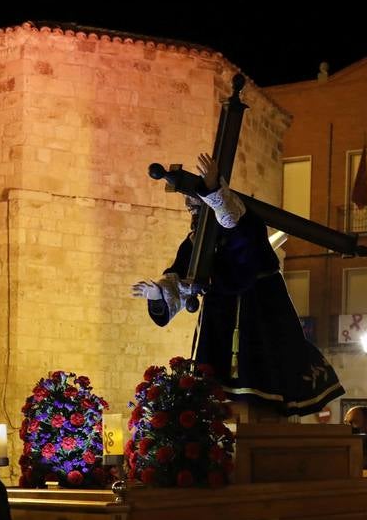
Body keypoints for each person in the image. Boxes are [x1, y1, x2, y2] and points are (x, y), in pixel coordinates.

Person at [131, 153, 344, 417]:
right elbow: (184, 275)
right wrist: (160, 291)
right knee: (216, 374)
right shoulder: (195, 241)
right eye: (190, 209)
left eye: (195, 206)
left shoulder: (244, 222)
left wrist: (213, 188)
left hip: (256, 307)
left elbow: (234, 225)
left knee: (260, 366)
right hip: (220, 313)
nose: (192, 213)